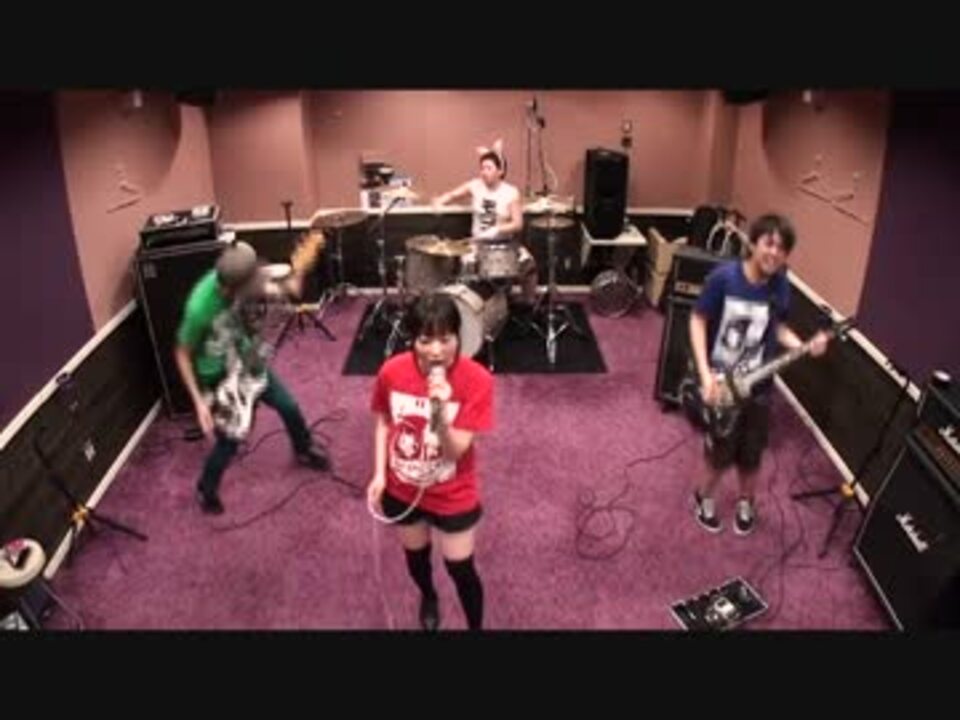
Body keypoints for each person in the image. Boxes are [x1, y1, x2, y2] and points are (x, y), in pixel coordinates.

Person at [688, 213, 830, 535]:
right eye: (769, 243)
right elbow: (697, 320)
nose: (774, 253)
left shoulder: (781, 285)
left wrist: (805, 346)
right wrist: (706, 376)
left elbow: (776, 328)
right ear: (753, 243)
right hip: (722, 382)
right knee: (720, 453)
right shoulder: (723, 278)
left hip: (760, 387)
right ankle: (703, 495)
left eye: (782, 249)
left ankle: (746, 500)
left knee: (752, 453)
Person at [367, 292, 494, 630]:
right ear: (412, 338)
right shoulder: (391, 371)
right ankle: (428, 595)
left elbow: (455, 451)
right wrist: (379, 474)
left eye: (446, 339)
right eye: (425, 340)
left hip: (453, 491)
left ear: (459, 337)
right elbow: (383, 422)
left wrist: (439, 409)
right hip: (403, 486)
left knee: (460, 567)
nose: (436, 351)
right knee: (416, 558)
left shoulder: (477, 380)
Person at [174, 239, 330, 515]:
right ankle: (206, 488)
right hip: (218, 375)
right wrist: (198, 402)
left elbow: (286, 289)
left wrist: (299, 272)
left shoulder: (244, 279)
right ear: (229, 288)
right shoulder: (199, 307)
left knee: (289, 406)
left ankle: (303, 448)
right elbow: (182, 353)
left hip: (247, 358)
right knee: (230, 441)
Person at [433, 140, 539, 304]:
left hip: (505, 244)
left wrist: (497, 229)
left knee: (528, 263)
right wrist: (439, 201)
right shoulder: (475, 185)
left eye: (488, 168)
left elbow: (518, 224)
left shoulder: (511, 192)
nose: (483, 172)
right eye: (482, 168)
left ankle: (528, 302)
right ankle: (469, 305)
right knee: (466, 264)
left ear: (500, 171)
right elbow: (453, 195)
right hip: (477, 243)